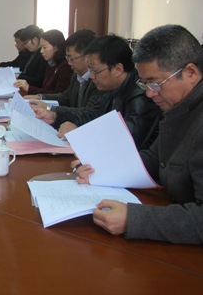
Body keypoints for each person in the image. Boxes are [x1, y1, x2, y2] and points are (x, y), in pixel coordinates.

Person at [74, 24, 203, 244]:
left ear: (190, 73)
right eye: (145, 83)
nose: (150, 94)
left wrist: (133, 218)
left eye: (156, 83)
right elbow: (153, 159)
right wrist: (99, 169)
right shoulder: (180, 107)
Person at [34, 34, 161, 150]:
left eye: (94, 71)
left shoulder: (141, 94)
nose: (91, 76)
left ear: (117, 69)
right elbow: (92, 115)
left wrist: (79, 134)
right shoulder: (110, 86)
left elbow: (127, 138)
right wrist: (55, 116)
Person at [26, 29, 103, 128]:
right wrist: (41, 97)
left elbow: (89, 113)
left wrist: (50, 108)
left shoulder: (99, 80)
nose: (69, 63)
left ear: (88, 57)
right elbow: (66, 97)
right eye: (67, 58)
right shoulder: (76, 74)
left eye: (71, 58)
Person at [14, 29, 72, 95]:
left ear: (56, 47)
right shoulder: (51, 64)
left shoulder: (65, 67)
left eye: (44, 47)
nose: (41, 51)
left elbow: (58, 95)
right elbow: (45, 89)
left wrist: (29, 88)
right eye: (41, 47)